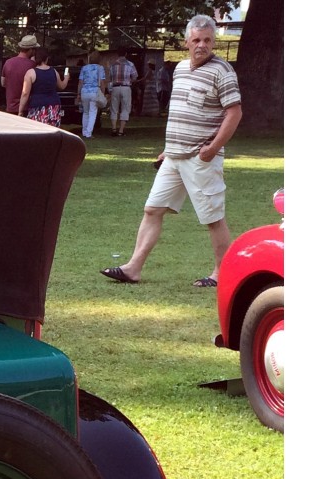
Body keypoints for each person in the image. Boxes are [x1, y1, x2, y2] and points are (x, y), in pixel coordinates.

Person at [99, 15, 242, 289]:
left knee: (213, 218)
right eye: (196, 40)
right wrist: (168, 149)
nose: (201, 45)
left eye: (207, 40)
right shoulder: (180, 69)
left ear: (214, 41)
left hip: (201, 157)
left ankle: (222, 274)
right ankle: (133, 268)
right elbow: (179, 112)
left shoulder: (222, 71)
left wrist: (212, 149)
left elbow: (234, 113)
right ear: (186, 41)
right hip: (174, 157)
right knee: (152, 209)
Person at [18, 48, 68, 127]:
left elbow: (25, 93)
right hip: (54, 105)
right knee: (52, 131)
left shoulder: (30, 73)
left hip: (37, 106)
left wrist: (20, 110)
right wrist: (66, 78)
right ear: (46, 58)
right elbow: (62, 86)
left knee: (37, 131)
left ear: (35, 58)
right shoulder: (54, 71)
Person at [1, 35, 39, 114]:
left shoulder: (8, 63)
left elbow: (3, 83)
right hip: (26, 108)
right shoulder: (33, 65)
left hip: (10, 107)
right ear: (31, 50)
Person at [107, 47, 138, 136]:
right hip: (126, 87)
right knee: (125, 108)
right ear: (126, 54)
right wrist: (130, 80)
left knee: (114, 108)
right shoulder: (130, 64)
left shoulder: (112, 65)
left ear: (117, 54)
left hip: (115, 88)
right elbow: (135, 77)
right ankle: (121, 131)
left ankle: (113, 129)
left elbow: (110, 78)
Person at [76, 51, 106, 139]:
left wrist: (78, 93)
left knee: (85, 112)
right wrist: (103, 93)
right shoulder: (100, 68)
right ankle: (89, 133)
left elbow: (80, 82)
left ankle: (84, 132)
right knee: (93, 112)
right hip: (95, 91)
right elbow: (102, 82)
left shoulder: (84, 68)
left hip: (84, 91)